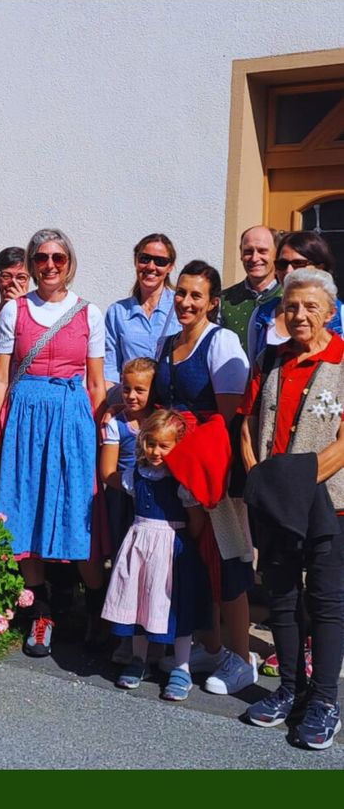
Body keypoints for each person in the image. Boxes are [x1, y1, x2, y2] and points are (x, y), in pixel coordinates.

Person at [0, 228, 107, 658]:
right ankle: (41, 613)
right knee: (23, 508)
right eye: (41, 258)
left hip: (72, 420)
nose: (49, 265)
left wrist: (99, 441)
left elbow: (94, 383)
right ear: (31, 264)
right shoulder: (14, 311)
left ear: (69, 262)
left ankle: (95, 612)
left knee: (77, 514)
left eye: (58, 257)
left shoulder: (90, 313)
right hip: (23, 418)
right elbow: (0, 376)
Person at [240, 268, 344, 750]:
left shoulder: (343, 360)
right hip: (274, 502)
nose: (299, 315)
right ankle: (289, 690)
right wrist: (259, 478)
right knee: (280, 597)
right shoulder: (270, 358)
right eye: (291, 306)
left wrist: (292, 483)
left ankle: (324, 700)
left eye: (310, 307)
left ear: (329, 312)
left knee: (325, 602)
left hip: (327, 502)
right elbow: (247, 422)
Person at [152, 260, 255, 696]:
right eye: (182, 293)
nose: (186, 302)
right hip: (174, 465)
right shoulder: (168, 341)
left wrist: (205, 469)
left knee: (228, 560)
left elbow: (229, 417)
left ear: (213, 302)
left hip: (210, 468)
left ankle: (242, 657)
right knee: (193, 561)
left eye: (197, 295)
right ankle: (210, 646)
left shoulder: (222, 340)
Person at [103, 410, 211, 701]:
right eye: (151, 443)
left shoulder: (181, 481)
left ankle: (182, 667)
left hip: (172, 545)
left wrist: (186, 542)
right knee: (137, 599)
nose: (156, 451)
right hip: (140, 542)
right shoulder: (135, 474)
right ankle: (140, 659)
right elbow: (117, 481)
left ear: (178, 446)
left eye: (164, 446)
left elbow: (196, 518)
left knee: (175, 606)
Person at [99, 356, 157, 666]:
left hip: (158, 511)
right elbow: (108, 471)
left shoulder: (162, 421)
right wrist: (136, 487)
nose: (131, 396)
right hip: (124, 504)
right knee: (125, 569)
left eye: (140, 390)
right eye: (126, 389)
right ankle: (124, 636)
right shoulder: (117, 424)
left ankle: (155, 637)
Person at [247, 231, 343, 362]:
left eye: (299, 263)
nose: (288, 271)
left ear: (320, 267)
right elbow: (255, 369)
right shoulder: (262, 315)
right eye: (282, 264)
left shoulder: (340, 315)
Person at [104, 233, 180, 394]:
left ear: (170, 267)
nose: (151, 267)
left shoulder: (181, 306)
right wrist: (112, 403)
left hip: (169, 405)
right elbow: (110, 369)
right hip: (131, 405)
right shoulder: (118, 312)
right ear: (136, 261)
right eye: (145, 258)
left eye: (160, 261)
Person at [219, 225, 281, 354]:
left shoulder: (289, 298)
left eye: (262, 251)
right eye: (248, 251)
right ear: (241, 255)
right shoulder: (223, 300)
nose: (254, 258)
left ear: (276, 254)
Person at [0, 247, 30, 322]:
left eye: (21, 277)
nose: (13, 282)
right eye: (6, 276)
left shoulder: (42, 319)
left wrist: (22, 308)